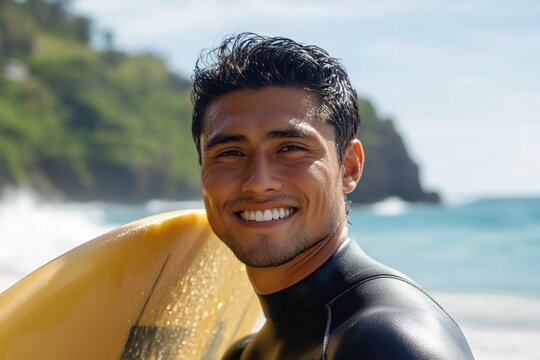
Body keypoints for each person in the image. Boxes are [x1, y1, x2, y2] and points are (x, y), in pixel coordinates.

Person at [191, 33, 474, 360]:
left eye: (291, 148)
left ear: (349, 167)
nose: (258, 182)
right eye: (230, 153)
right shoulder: (243, 353)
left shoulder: (390, 341)